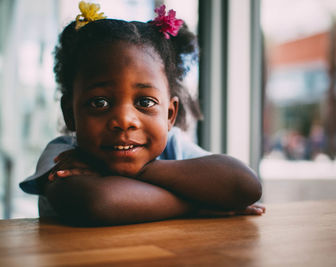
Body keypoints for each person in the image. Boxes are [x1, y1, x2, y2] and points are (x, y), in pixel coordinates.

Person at [20, 1, 264, 226]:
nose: (125, 120)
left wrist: (144, 169)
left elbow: (244, 185)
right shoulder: (62, 156)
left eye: (145, 101)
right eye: (99, 103)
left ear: (169, 115)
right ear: (70, 113)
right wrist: (197, 203)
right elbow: (99, 203)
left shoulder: (173, 147)